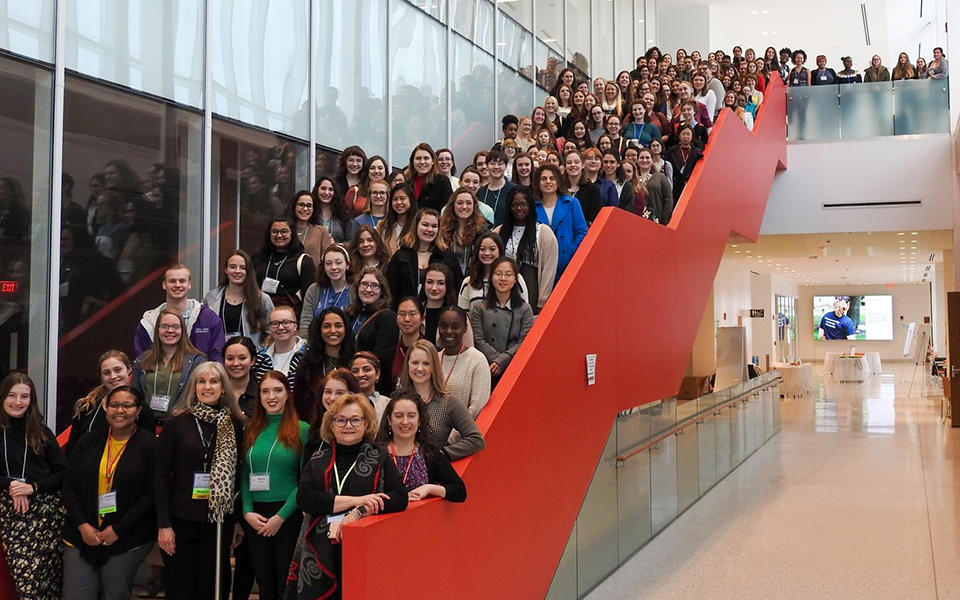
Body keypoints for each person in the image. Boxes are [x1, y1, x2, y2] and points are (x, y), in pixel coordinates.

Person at [285, 393, 407, 600]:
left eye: (355, 419)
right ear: (331, 425)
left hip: (366, 547)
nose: (347, 425)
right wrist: (358, 501)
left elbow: (399, 497)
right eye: (340, 420)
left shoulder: (379, 456)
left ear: (366, 424)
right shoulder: (318, 458)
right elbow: (304, 498)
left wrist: (361, 511)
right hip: (320, 550)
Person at [155, 362, 245, 599]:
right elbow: (161, 477)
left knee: (214, 586)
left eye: (214, 381)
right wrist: (163, 525)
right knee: (181, 587)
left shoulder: (234, 424)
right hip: (180, 522)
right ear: (193, 388)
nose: (207, 387)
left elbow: (237, 479)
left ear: (224, 388)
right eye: (201, 382)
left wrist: (235, 521)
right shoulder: (176, 424)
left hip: (218, 523)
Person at [62, 385, 156, 600]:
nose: (119, 411)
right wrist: (83, 526)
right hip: (82, 532)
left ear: (139, 410)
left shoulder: (149, 445)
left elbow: (151, 495)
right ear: (105, 407)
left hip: (128, 534)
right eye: (114, 405)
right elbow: (69, 487)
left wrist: (118, 530)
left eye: (127, 405)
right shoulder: (87, 442)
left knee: (114, 592)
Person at [239, 371, 308, 600]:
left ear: (287, 394)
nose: (271, 396)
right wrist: (247, 511)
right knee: (264, 581)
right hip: (255, 516)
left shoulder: (302, 430)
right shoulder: (251, 429)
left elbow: (305, 479)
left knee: (284, 582)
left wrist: (281, 517)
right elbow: (245, 473)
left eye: (277, 390)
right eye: (265, 391)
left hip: (287, 515)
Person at [0, 372, 67, 600]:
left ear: (31, 400)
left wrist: (32, 488)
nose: (18, 402)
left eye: (24, 396)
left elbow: (63, 473)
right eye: (12, 395)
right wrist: (13, 485)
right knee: (27, 586)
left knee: (47, 582)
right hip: (12, 515)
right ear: (2, 397)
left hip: (46, 516)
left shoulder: (41, 432)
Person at [398, 340, 485, 459]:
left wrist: (442, 454)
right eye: (415, 362)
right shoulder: (397, 400)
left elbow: (476, 440)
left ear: (434, 366)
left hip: (432, 475)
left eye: (426, 363)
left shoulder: (449, 402)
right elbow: (382, 440)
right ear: (407, 364)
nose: (419, 368)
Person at [375, 390, 467, 501]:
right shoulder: (375, 453)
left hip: (421, 517)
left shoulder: (430, 453)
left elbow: (459, 491)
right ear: (389, 420)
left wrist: (429, 488)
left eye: (411, 416)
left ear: (419, 420)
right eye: (399, 416)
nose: (405, 422)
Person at [66, 350, 156, 455]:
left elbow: (149, 449)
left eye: (117, 370)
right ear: (101, 377)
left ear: (129, 370)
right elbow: (72, 449)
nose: (113, 376)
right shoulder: (87, 407)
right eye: (106, 373)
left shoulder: (141, 409)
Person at [134, 264, 226, 362]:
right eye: (172, 281)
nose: (177, 285)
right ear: (164, 285)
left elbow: (217, 357)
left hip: (199, 376)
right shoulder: (149, 321)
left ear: (189, 285)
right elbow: (141, 360)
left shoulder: (208, 318)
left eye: (182, 281)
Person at [132, 309, 205, 423]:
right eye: (165, 326)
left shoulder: (197, 361)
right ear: (158, 330)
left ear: (183, 330)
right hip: (147, 425)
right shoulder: (143, 360)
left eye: (175, 326)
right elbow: (134, 394)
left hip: (181, 426)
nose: (170, 330)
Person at [470, 257, 534, 386]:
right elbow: (478, 339)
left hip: (515, 368)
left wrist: (503, 361)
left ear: (515, 279)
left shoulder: (525, 309)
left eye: (508, 274)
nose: (503, 278)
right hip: (487, 367)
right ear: (492, 277)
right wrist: (496, 362)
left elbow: (525, 341)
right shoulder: (479, 308)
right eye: (498, 274)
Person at [493, 189, 558, 312]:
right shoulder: (498, 232)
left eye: (523, 204)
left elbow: (549, 269)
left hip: (532, 290)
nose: (519, 208)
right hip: (502, 291)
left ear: (530, 206)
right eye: (514, 205)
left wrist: (542, 301)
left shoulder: (544, 233)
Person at [385, 208, 461, 306]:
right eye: (425, 225)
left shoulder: (449, 257)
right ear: (416, 226)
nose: (429, 230)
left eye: (434, 226)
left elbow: (456, 289)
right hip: (406, 315)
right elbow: (390, 291)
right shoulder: (400, 256)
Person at [293, 307, 355, 422]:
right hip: (314, 428)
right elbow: (298, 404)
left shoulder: (355, 362)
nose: (333, 330)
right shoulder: (307, 364)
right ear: (319, 330)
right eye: (326, 326)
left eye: (338, 325)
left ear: (346, 329)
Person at [204, 250, 274, 343]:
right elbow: (204, 330)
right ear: (226, 269)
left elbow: (272, 331)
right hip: (219, 355)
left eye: (243, 268)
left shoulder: (262, 299)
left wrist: (261, 353)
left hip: (251, 355)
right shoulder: (211, 298)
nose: (237, 271)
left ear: (248, 271)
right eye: (232, 267)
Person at [347, 267, 398, 394]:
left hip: (372, 386)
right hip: (348, 380)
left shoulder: (387, 317)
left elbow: (382, 358)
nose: (368, 289)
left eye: (374, 285)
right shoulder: (349, 314)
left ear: (382, 291)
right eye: (364, 284)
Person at [252, 217, 316, 317]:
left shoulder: (303, 261)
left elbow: (309, 299)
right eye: (275, 231)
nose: (279, 235)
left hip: (290, 319)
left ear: (292, 233)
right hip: (259, 316)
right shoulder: (257, 259)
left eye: (284, 231)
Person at [535, 164, 587, 281]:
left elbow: (582, 232)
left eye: (552, 178)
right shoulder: (533, 207)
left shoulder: (572, 203)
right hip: (542, 266)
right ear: (537, 183)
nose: (548, 182)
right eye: (543, 179)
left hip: (568, 263)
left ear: (558, 181)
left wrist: (571, 251)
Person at [436, 307, 490, 419]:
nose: (449, 331)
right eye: (444, 326)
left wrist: (453, 436)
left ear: (465, 328)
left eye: (455, 327)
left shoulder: (477, 359)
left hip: (463, 433)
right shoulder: (434, 358)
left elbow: (476, 408)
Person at [457, 231, 529, 309]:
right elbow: (463, 315)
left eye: (492, 249)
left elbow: (524, 311)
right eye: (482, 249)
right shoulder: (468, 282)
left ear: (500, 251)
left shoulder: (515, 277)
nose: (487, 253)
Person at [303, 368, 360, 458]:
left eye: (340, 393)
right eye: (328, 392)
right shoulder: (314, 432)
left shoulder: (356, 431)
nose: (332, 398)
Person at [299, 244, 352, 337]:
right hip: (318, 344)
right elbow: (306, 322)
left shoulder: (356, 289)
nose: (333, 267)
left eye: (338, 262)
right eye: (328, 263)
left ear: (347, 265)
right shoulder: (314, 289)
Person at [440, 187, 489, 278]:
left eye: (469, 203)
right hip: (448, 280)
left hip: (473, 280)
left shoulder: (482, 232)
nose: (464, 207)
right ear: (452, 205)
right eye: (459, 203)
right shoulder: (442, 230)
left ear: (474, 206)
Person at [261, 305, 307, 388]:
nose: (281, 327)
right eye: (275, 323)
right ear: (270, 328)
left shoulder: (308, 355)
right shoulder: (260, 358)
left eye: (286, 322)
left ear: (295, 326)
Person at [223, 336, 268, 417]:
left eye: (242, 358)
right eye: (230, 358)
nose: (236, 363)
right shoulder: (217, 393)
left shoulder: (263, 394)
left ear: (253, 360)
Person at [287, 190, 333, 263]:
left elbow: (327, 260)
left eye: (309, 206)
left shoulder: (321, 231)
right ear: (294, 206)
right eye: (301, 205)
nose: (305, 209)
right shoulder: (286, 230)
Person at [419, 262, 459, 343]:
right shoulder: (416, 312)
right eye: (430, 282)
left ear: (448, 286)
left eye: (440, 283)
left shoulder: (457, 315)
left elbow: (467, 351)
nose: (434, 288)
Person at [408, 143, 453, 212]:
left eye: (426, 158)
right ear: (412, 161)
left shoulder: (442, 182)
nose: (422, 162)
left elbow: (448, 210)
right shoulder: (407, 183)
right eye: (418, 158)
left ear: (433, 161)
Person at [477, 150, 517, 226]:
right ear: (487, 166)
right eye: (492, 163)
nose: (496, 167)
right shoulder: (481, 192)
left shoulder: (514, 190)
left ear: (505, 166)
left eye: (500, 164)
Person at [391, 297, 424, 390]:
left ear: (422, 318)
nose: (407, 319)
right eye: (402, 314)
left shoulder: (430, 351)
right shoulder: (390, 352)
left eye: (412, 314)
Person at [562, 150, 603, 223]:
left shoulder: (592, 190)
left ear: (583, 165)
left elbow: (595, 217)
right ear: (564, 166)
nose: (573, 165)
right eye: (569, 163)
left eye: (577, 162)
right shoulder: (559, 189)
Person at [636, 147, 674, 225]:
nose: (644, 160)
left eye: (647, 158)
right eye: (641, 158)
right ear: (637, 160)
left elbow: (668, 199)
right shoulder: (633, 179)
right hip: (636, 220)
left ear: (652, 160)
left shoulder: (661, 177)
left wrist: (665, 219)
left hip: (657, 221)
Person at [377, 183, 417, 256]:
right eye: (395, 199)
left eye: (402, 199)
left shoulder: (418, 225)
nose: (398, 202)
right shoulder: (382, 225)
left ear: (411, 200)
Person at [311, 177, 355, 243]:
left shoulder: (343, 216)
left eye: (331, 189)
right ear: (317, 190)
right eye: (323, 188)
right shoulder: (310, 214)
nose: (326, 193)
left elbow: (351, 242)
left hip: (337, 252)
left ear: (335, 193)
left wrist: (336, 245)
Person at [666, 125, 704, 200]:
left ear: (692, 136)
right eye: (683, 134)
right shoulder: (672, 151)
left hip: (690, 184)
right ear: (679, 136)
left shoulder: (698, 153)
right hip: (675, 184)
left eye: (688, 134)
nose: (686, 137)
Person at [350, 351, 390, 422]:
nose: (361, 374)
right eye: (355, 371)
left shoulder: (388, 404)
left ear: (377, 374)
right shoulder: (345, 403)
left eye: (366, 369)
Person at [333, 146, 366, 216]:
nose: (355, 164)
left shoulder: (366, 183)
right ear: (345, 162)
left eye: (358, 161)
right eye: (351, 160)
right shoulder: (335, 182)